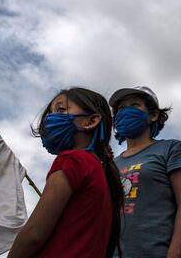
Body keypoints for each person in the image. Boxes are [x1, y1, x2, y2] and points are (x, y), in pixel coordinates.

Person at [8, 87, 124, 258]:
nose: (50, 118)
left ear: (90, 121)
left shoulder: (72, 160)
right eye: (50, 113)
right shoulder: (101, 171)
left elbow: (33, 235)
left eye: (61, 109)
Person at [109, 86, 181, 258]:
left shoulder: (172, 149)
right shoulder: (112, 164)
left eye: (134, 105)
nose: (126, 111)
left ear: (153, 115)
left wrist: (175, 252)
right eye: (121, 108)